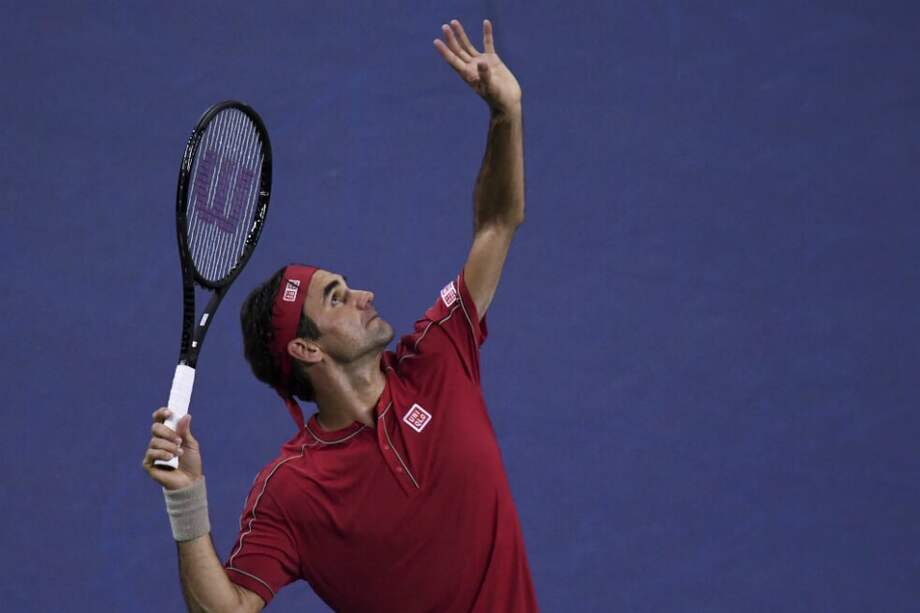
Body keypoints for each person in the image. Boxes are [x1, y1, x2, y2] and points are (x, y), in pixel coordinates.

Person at [143, 18, 536, 612]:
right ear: (306, 349)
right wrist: (188, 500)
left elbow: (496, 223)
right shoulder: (293, 492)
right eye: (336, 296)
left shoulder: (438, 356)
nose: (364, 295)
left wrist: (506, 116)